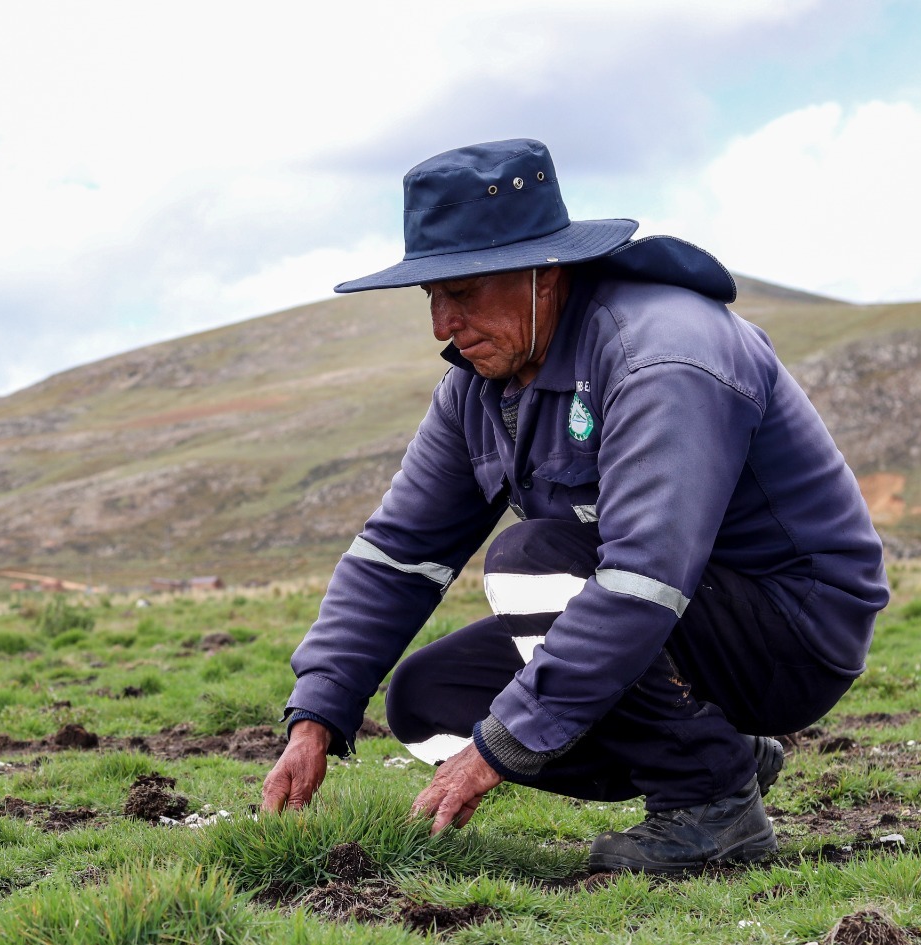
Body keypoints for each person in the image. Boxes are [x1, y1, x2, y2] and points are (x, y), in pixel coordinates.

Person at [259, 138, 889, 873]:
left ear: (543, 272)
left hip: (791, 632)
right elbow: (398, 554)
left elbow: (644, 574)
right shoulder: (477, 385)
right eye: (431, 296)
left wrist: (500, 749)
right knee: (428, 701)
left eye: (461, 292)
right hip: (673, 626)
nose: (442, 325)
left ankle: (710, 801)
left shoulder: (663, 352)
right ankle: (718, 753)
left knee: (531, 560)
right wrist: (318, 713)